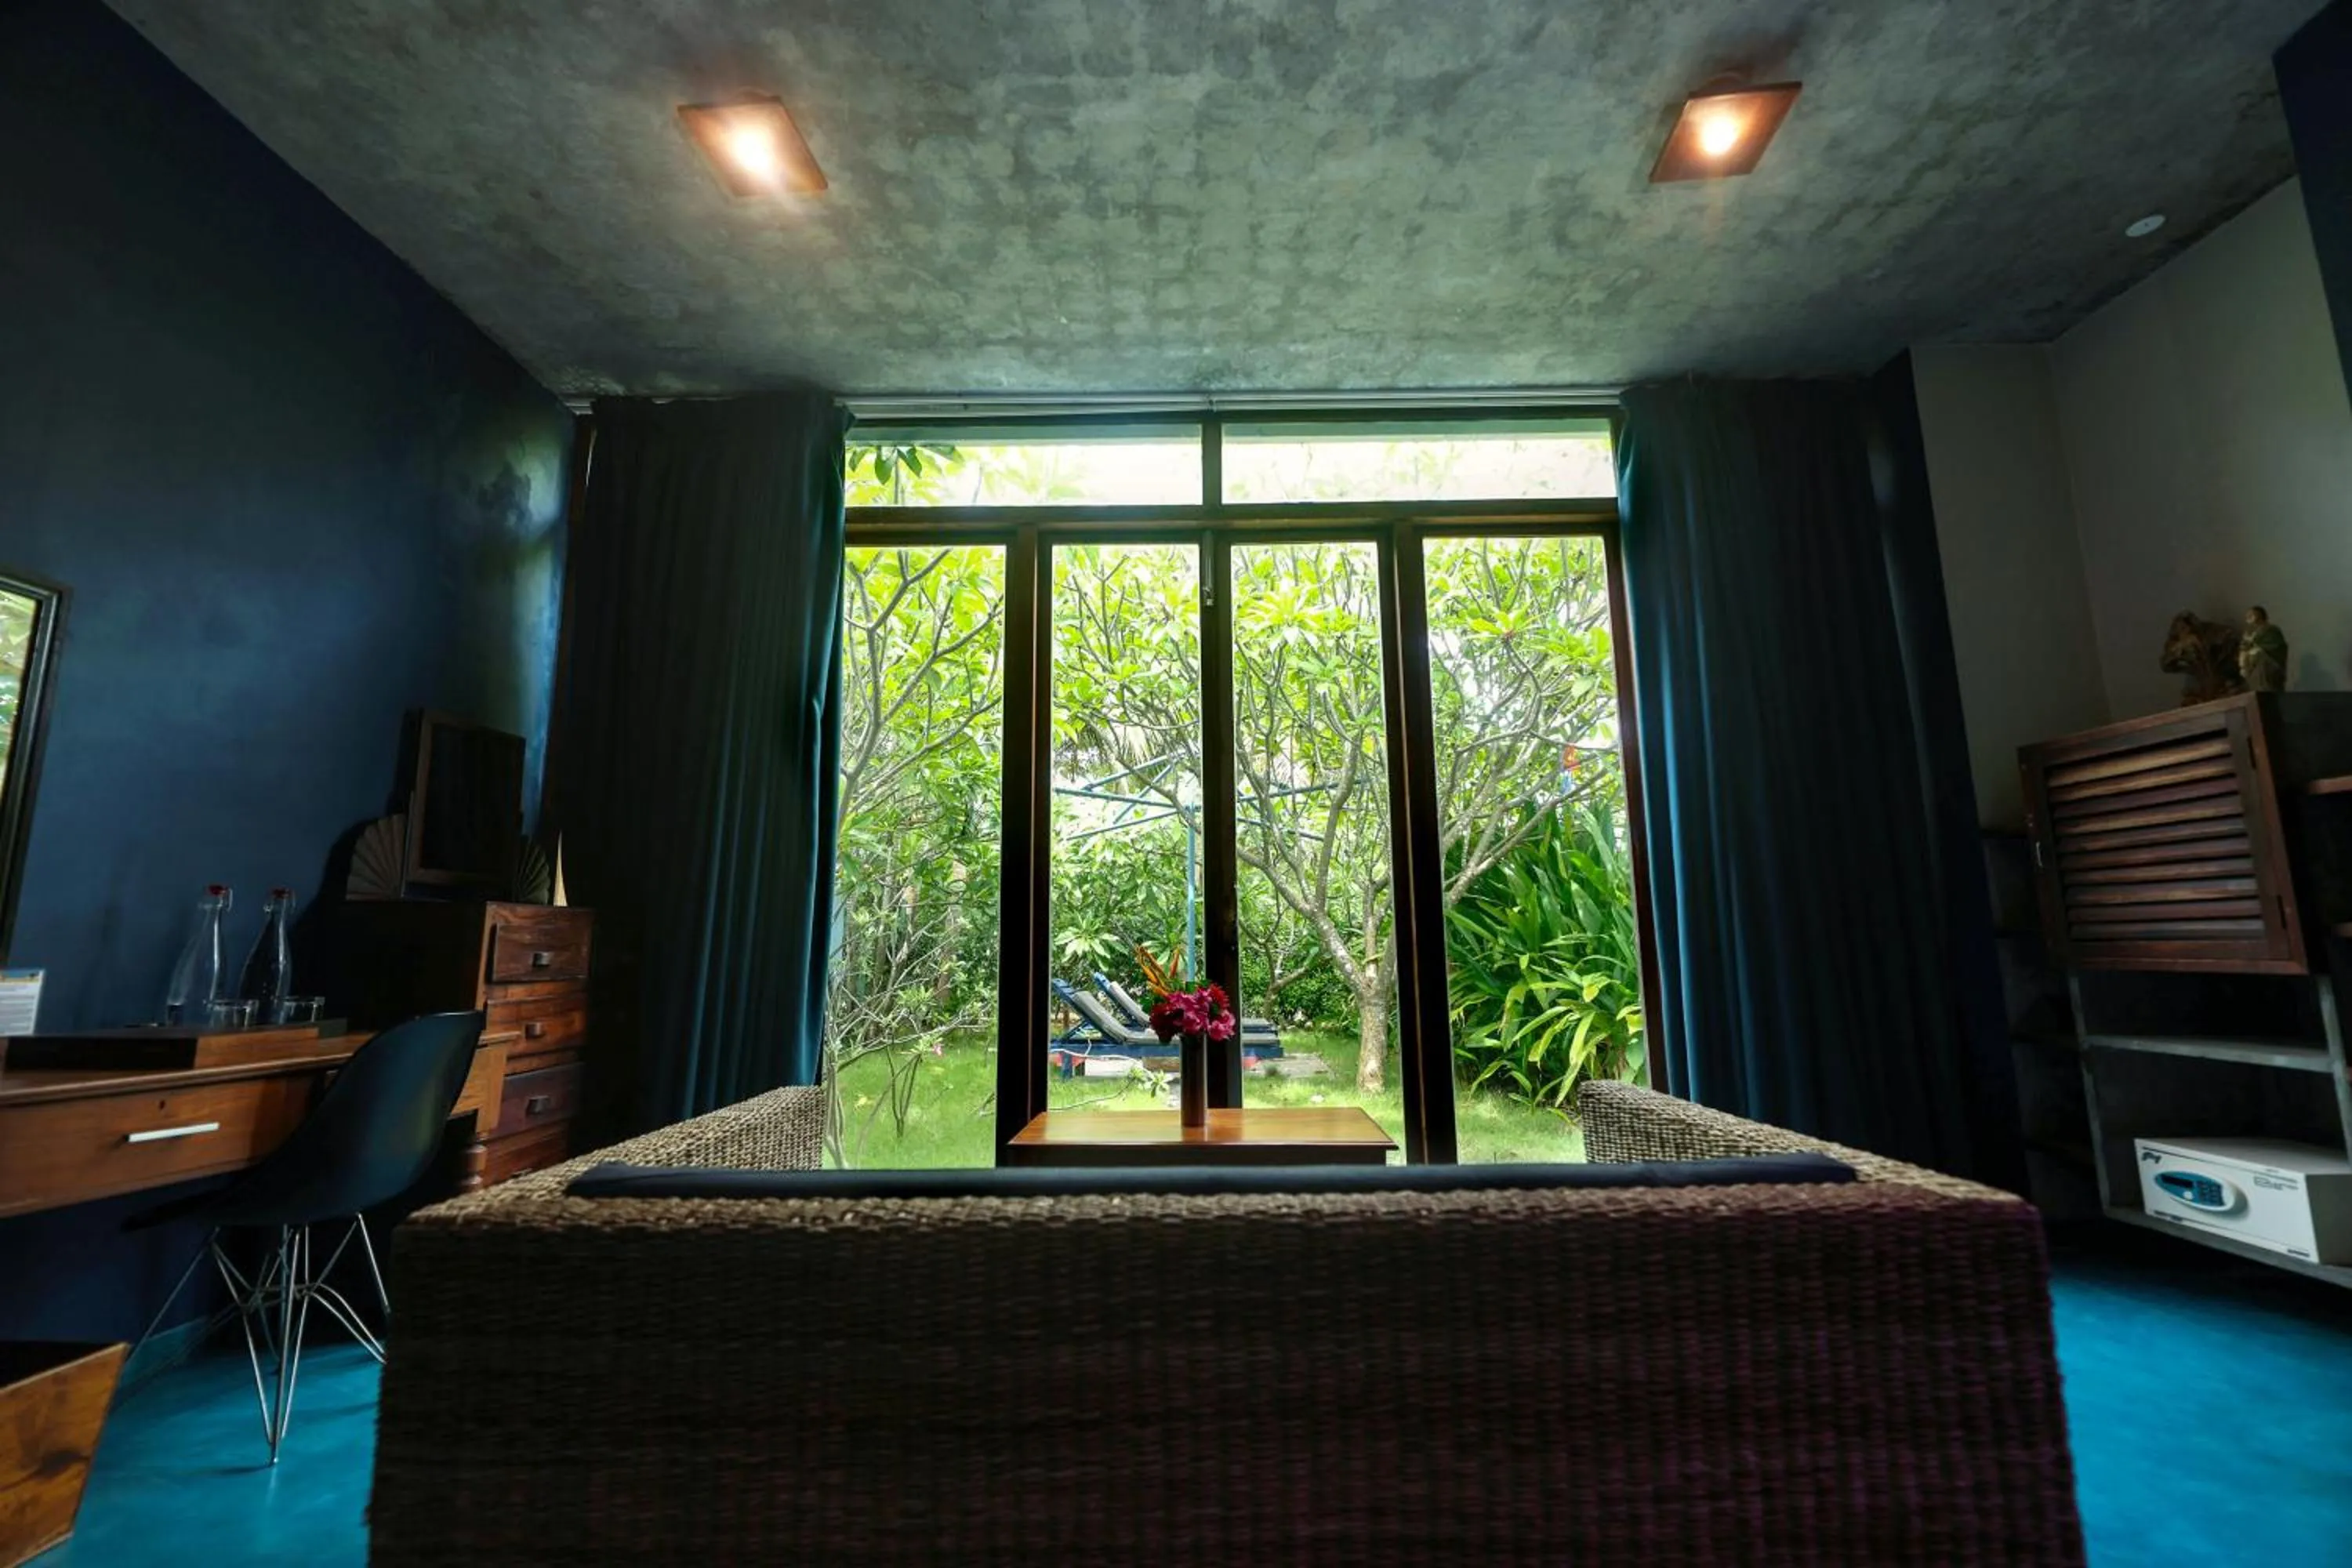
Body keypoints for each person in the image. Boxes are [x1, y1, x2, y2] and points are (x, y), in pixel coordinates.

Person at [2240, 605, 2288, 693]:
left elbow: (2276, 647)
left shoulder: (2272, 630)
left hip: (2267, 668)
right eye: (2247, 616)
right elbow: (2244, 647)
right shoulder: (2249, 633)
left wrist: (2257, 652)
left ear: (2259, 616)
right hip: (2253, 671)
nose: (2248, 618)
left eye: (2251, 615)